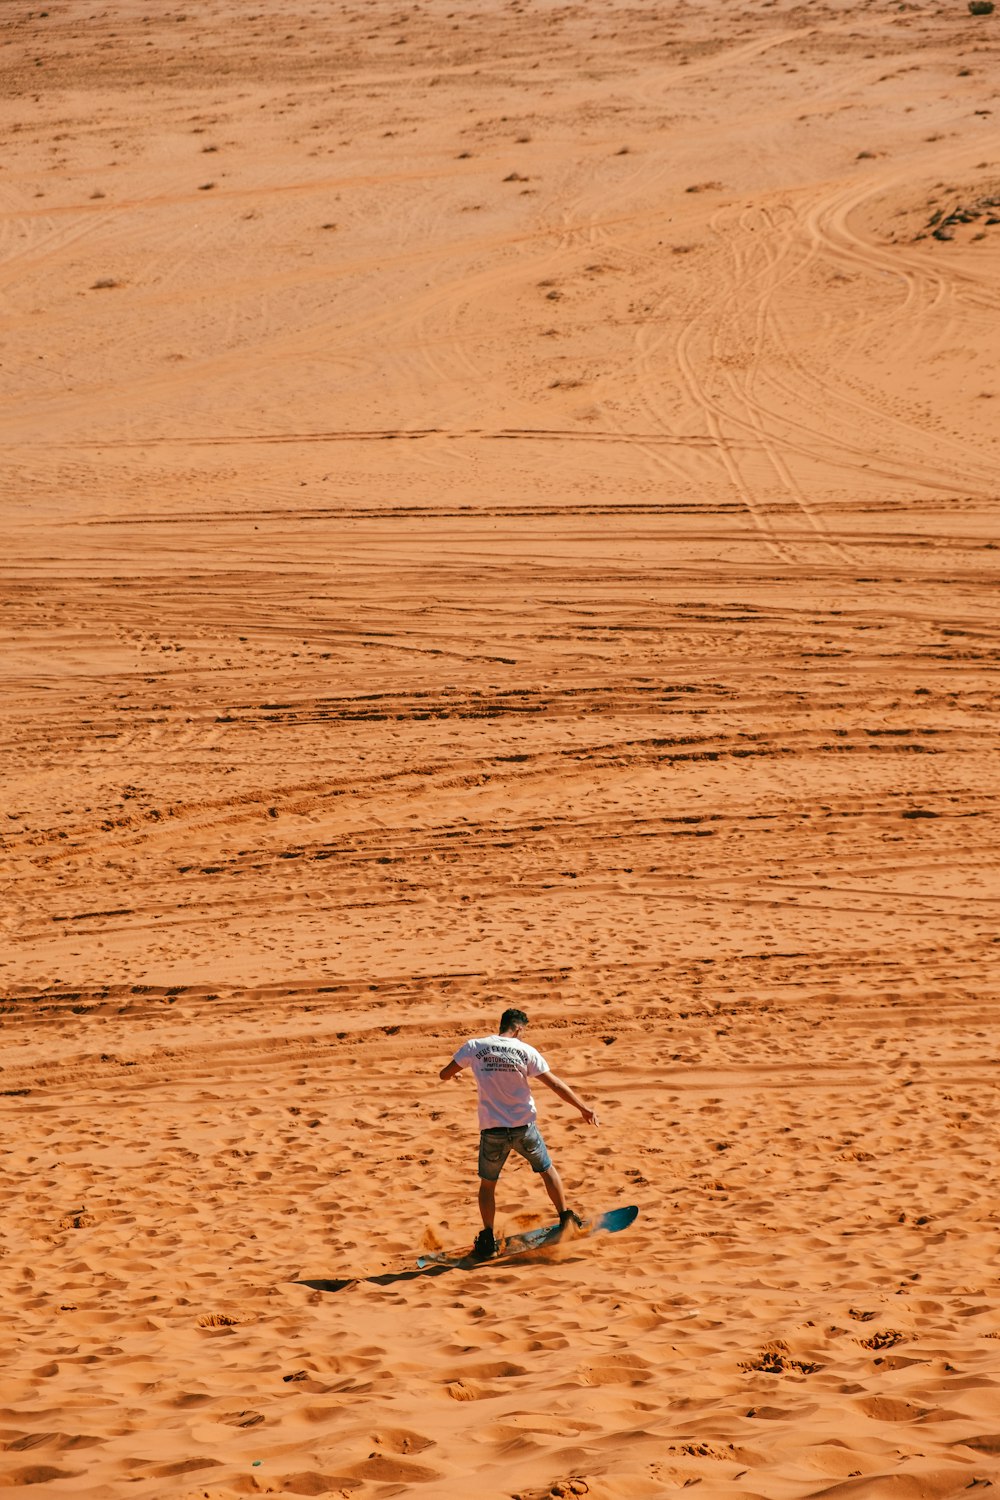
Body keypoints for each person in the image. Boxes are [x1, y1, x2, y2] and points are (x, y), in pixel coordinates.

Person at [439, 1006, 599, 1259]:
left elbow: (444, 1074)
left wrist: (458, 1075)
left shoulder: (474, 1046)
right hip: (524, 1128)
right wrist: (583, 1108)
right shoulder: (525, 1051)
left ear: (501, 1024)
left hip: (492, 1130)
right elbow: (555, 1084)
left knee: (488, 1185)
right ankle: (565, 1216)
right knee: (547, 1170)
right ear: (519, 1028)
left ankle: (488, 1237)